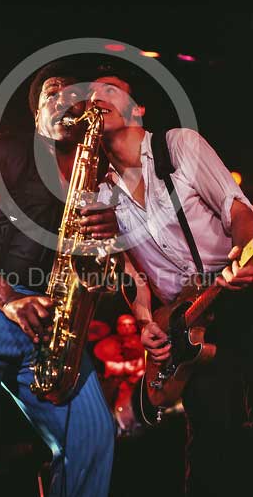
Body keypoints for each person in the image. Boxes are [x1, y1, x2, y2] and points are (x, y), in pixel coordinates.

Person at [0, 57, 118, 497]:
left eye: (74, 94)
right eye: (52, 92)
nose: (64, 100)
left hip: (49, 316)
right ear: (37, 112)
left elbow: (102, 276)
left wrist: (105, 239)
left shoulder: (96, 177)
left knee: (94, 436)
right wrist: (7, 299)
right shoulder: (9, 148)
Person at [88, 56, 253, 496]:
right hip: (183, 322)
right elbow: (129, 274)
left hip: (235, 297)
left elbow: (237, 209)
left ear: (137, 109)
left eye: (109, 88)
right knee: (211, 444)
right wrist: (146, 324)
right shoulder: (96, 190)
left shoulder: (179, 145)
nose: (96, 96)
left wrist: (241, 250)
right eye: (91, 93)